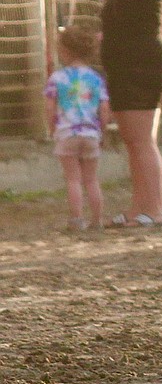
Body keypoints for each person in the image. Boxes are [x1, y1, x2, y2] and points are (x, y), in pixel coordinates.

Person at [53, 0, 162, 227]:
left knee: (142, 140)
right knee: (135, 142)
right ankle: (140, 209)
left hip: (142, 66)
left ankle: (155, 210)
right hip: (127, 66)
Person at [43, 25, 111, 232]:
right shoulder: (96, 78)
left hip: (67, 133)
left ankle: (76, 220)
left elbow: (49, 106)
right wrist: (103, 131)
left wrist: (52, 128)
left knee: (73, 180)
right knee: (91, 179)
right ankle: (97, 220)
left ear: (64, 51)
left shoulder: (57, 78)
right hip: (91, 133)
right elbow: (104, 108)